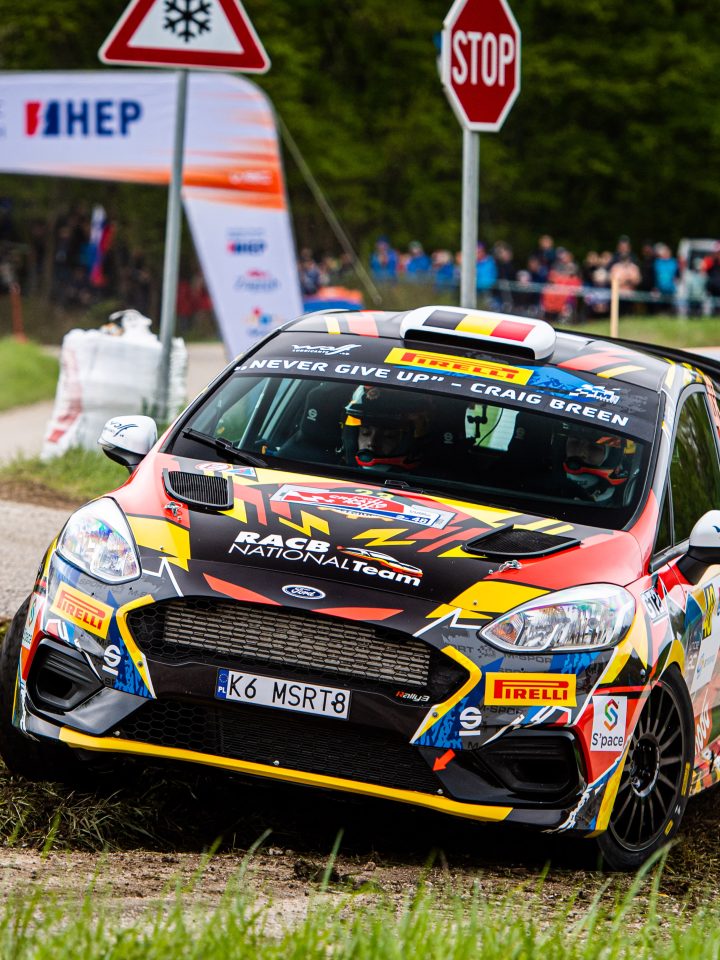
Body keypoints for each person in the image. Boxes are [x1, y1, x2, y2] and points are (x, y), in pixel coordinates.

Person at [342, 385, 432, 471]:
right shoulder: (338, 468)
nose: (372, 443)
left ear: (409, 442)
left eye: (389, 436)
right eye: (365, 433)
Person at [561, 427, 634, 503]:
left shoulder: (623, 502)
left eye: (594, 447)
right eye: (575, 443)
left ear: (610, 458)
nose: (581, 453)